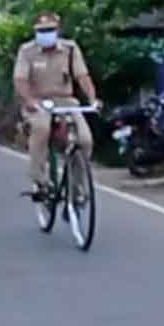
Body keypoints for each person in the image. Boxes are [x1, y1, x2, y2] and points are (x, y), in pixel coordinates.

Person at [13, 11, 100, 196]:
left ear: (58, 30)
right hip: (38, 102)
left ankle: (77, 186)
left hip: (65, 101)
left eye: (50, 30)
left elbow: (82, 76)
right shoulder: (27, 51)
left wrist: (92, 98)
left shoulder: (70, 49)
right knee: (41, 129)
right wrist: (29, 100)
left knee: (84, 140)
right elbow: (20, 80)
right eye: (41, 30)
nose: (46, 34)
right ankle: (39, 179)